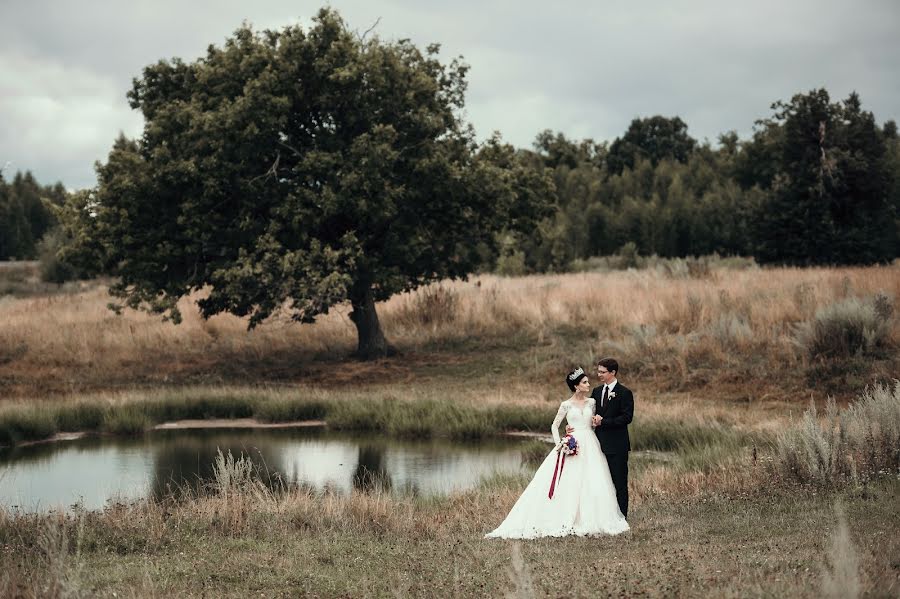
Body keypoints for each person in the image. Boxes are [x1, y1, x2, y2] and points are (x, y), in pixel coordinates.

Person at [485, 367, 629, 539]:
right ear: (576, 386)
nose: (588, 384)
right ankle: (564, 515)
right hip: (572, 443)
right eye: (584, 382)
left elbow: (594, 422)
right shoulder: (566, 405)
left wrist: (597, 423)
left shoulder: (592, 402)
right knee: (571, 480)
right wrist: (561, 443)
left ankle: (593, 516)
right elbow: (554, 426)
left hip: (591, 444)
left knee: (593, 479)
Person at [590, 357, 633, 519]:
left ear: (613, 372)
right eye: (598, 371)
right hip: (598, 446)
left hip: (617, 446)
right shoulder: (596, 391)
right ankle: (604, 515)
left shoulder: (625, 393)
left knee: (619, 483)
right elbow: (591, 415)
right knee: (601, 483)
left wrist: (604, 421)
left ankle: (622, 517)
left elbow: (627, 418)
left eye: (602, 372)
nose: (599, 374)